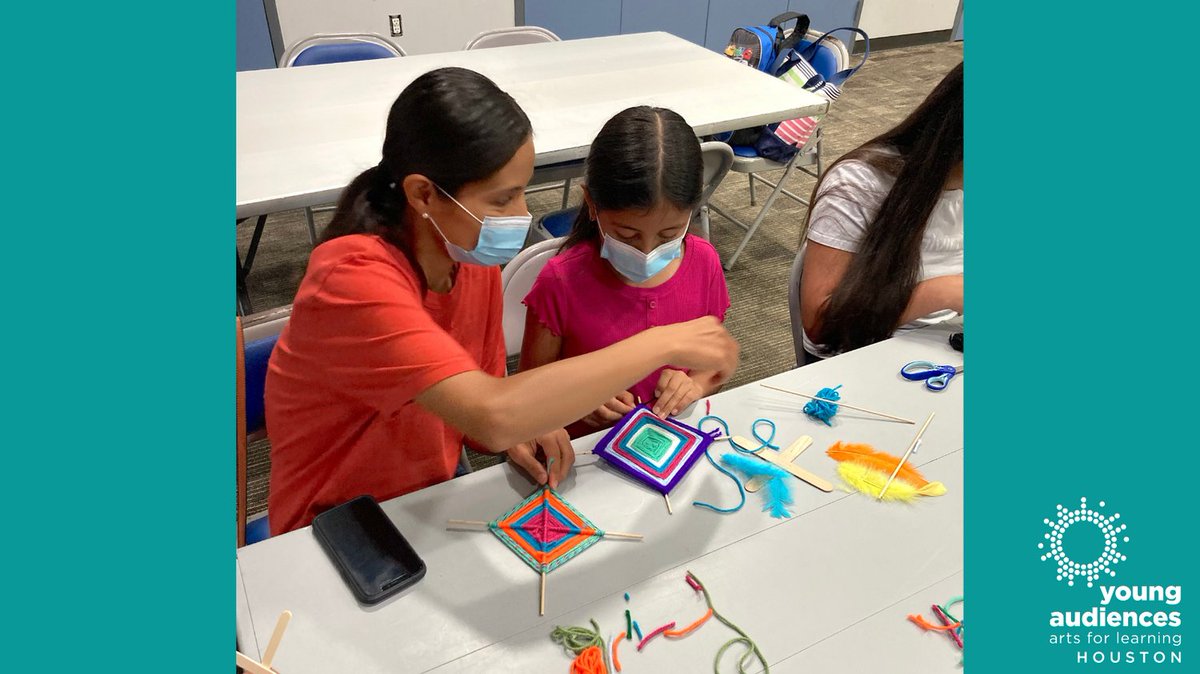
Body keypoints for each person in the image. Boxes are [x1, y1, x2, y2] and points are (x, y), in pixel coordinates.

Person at [264, 69, 738, 534]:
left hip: (431, 497)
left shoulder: (469, 260)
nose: (522, 215)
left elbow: (483, 417)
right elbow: (492, 416)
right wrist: (659, 345)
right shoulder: (352, 279)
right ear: (424, 194)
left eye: (523, 192)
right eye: (503, 199)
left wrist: (532, 422)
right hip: (331, 525)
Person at [520, 106, 732, 437]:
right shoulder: (560, 281)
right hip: (585, 455)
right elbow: (528, 396)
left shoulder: (703, 262)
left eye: (668, 235)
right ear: (591, 204)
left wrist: (692, 384)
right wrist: (578, 399)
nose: (646, 252)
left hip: (670, 445)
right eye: (627, 235)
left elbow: (714, 363)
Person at [798, 62, 963, 359]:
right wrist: (943, 292)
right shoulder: (860, 184)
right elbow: (820, 327)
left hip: (944, 344)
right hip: (865, 357)